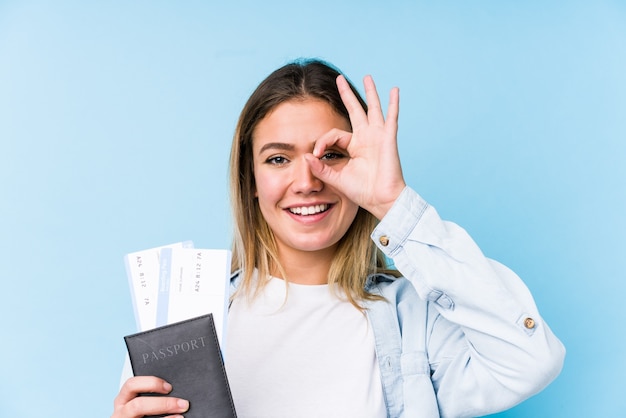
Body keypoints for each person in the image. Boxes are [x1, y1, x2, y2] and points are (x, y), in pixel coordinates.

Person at [112, 59, 565, 418]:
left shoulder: (415, 320)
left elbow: (530, 363)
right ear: (249, 178)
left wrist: (393, 204)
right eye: (277, 159)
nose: (307, 181)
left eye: (330, 155)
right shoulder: (185, 325)